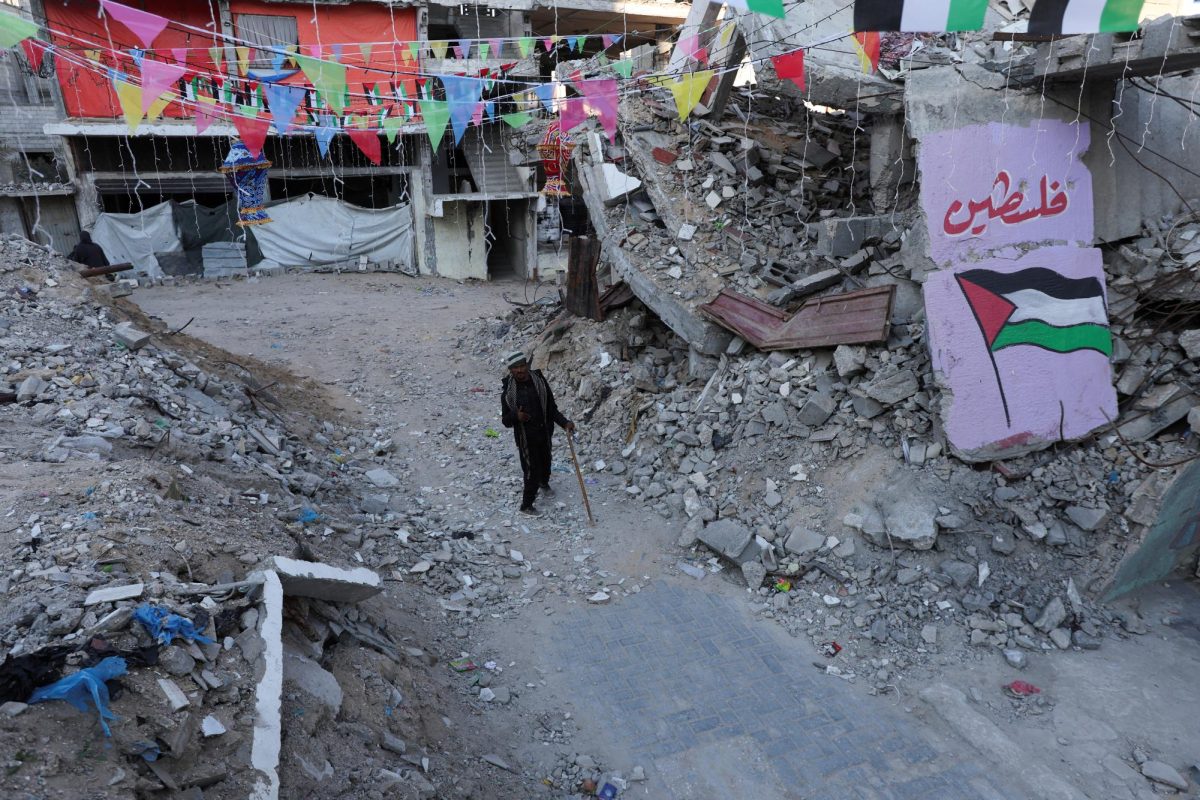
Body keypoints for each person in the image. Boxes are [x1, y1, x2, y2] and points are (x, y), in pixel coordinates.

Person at [500, 351, 575, 516]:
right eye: (515, 368)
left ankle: (544, 483)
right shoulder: (508, 393)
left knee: (546, 461)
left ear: (526, 365)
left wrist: (565, 423)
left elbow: (551, 407)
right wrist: (516, 416)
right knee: (531, 470)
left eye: (522, 366)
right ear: (510, 371)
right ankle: (526, 505)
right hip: (526, 437)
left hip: (544, 431)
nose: (519, 370)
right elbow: (505, 421)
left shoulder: (539, 381)